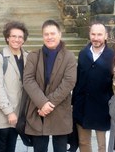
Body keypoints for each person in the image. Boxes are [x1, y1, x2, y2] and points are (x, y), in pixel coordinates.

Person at [23, 19, 77, 152]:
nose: (49, 37)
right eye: (46, 34)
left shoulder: (69, 57)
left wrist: (48, 104)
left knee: (60, 148)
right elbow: (28, 80)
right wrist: (42, 103)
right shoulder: (33, 56)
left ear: (59, 34)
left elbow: (69, 82)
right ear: (43, 36)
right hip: (37, 110)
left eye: (52, 33)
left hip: (59, 109)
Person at [72, 22, 114, 152]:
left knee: (103, 145)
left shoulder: (113, 56)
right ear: (89, 35)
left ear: (106, 36)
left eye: (99, 34)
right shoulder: (83, 53)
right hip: (83, 107)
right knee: (84, 143)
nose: (96, 38)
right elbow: (78, 79)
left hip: (103, 108)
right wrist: (74, 102)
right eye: (93, 34)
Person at [0, 21, 29, 152]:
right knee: (0, 146)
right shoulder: (0, 57)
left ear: (24, 39)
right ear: (7, 37)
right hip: (4, 112)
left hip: (20, 111)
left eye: (20, 37)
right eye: (13, 36)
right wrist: (9, 112)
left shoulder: (28, 57)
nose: (16, 40)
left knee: (11, 146)